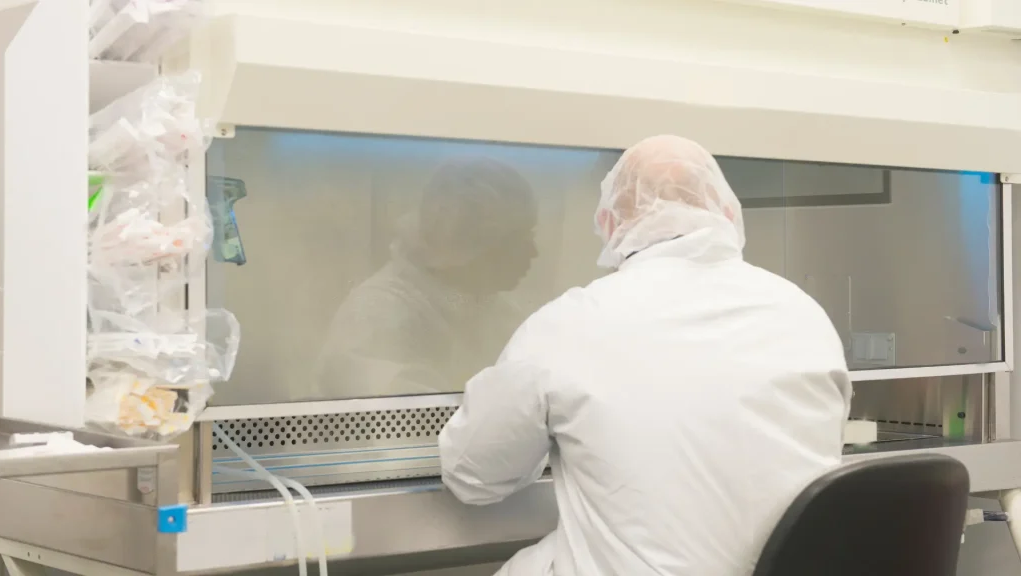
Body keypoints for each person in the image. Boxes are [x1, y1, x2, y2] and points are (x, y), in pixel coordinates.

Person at [438, 135, 851, 576]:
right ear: (729, 215)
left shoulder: (569, 324)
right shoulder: (804, 314)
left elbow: (472, 475)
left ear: (609, 223)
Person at [313, 157, 539, 399]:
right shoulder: (378, 315)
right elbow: (415, 416)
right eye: (518, 239)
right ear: (471, 242)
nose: (533, 252)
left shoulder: (493, 309)